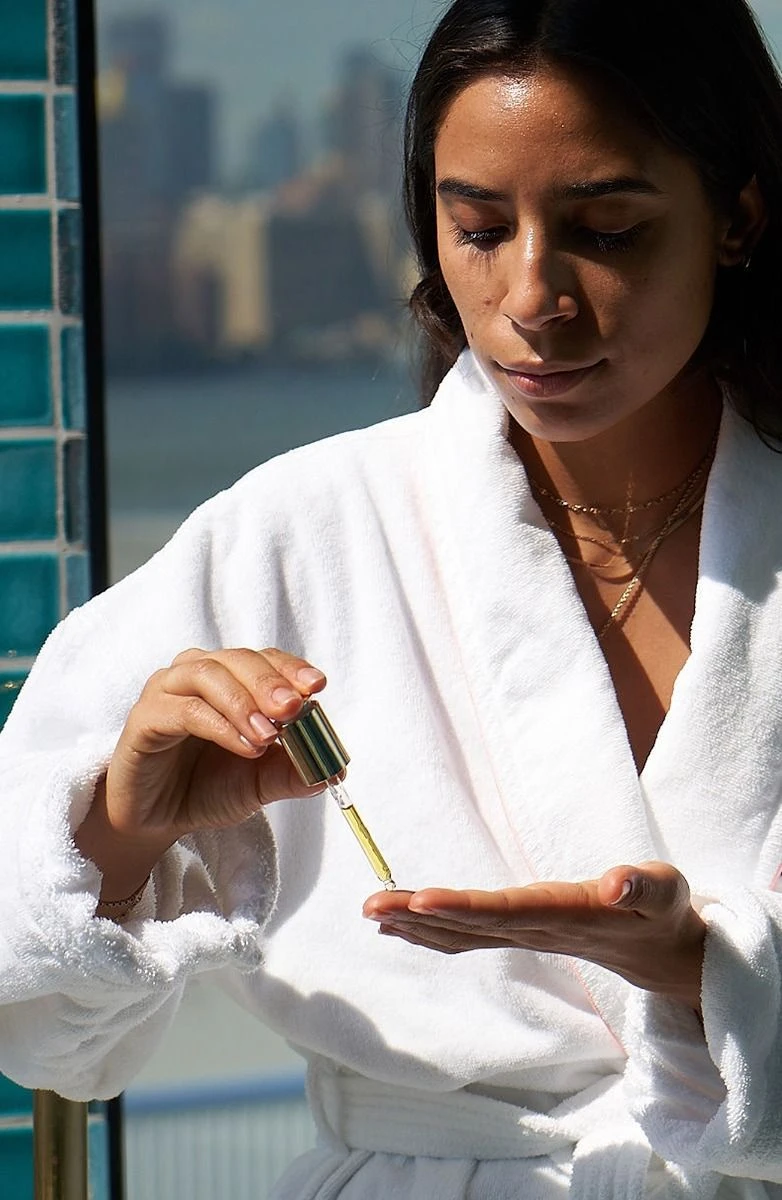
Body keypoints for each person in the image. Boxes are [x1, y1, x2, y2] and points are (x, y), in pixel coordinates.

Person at [1, 0, 782, 1194]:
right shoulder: (296, 534)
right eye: (477, 229)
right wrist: (122, 821)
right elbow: (43, 1027)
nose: (529, 295)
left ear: (736, 217)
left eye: (605, 230)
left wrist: (700, 973)